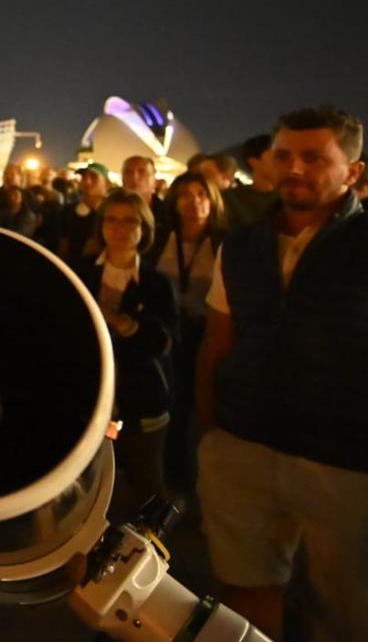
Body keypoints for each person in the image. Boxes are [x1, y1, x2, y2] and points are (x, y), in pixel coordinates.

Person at [195, 107, 368, 641]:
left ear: (351, 171)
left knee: (350, 611)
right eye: (284, 156)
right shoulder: (243, 245)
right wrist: (213, 438)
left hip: (346, 462)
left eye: (314, 157)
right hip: (243, 448)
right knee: (246, 600)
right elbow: (216, 345)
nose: (294, 168)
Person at [76, 189, 177, 509]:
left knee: (146, 483)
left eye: (129, 221)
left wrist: (121, 322)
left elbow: (164, 343)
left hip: (141, 401)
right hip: (89, 399)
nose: (119, 229)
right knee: (85, 488)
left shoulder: (156, 282)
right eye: (111, 220)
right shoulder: (82, 271)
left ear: (144, 228)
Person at [148, 172, 225, 494]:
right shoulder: (159, 239)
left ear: (213, 200)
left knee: (208, 407)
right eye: (185, 195)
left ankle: (212, 481)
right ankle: (176, 481)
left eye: (201, 194)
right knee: (174, 407)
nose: (194, 202)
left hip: (208, 333)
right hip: (171, 335)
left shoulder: (226, 242)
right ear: (174, 202)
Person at [222, 134, 276, 230]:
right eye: (274, 156)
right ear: (253, 162)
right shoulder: (231, 199)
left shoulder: (289, 196)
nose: (280, 162)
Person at [60, 162, 110, 264]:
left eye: (94, 177)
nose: (87, 181)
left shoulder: (113, 212)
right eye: (84, 177)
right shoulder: (69, 210)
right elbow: (63, 244)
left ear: (107, 183)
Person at [121, 155, 167, 230]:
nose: (134, 177)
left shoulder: (167, 213)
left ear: (154, 180)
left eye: (142, 172)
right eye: (128, 172)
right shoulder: (109, 210)